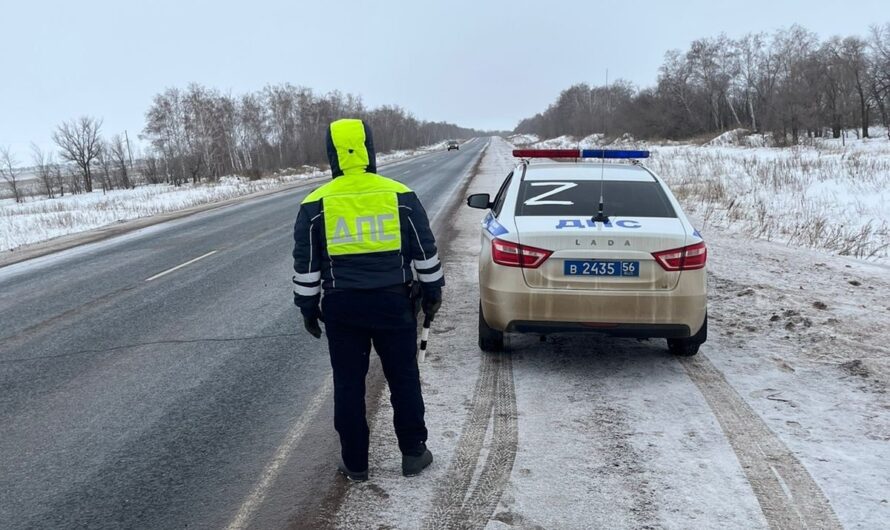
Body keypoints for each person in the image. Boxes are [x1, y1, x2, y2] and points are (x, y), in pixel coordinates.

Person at [292, 118, 444, 482]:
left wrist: (308, 308)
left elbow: (307, 266)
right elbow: (425, 252)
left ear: (332, 154)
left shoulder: (314, 205)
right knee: (404, 379)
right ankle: (413, 453)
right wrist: (433, 294)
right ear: (370, 150)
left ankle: (356, 463)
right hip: (394, 304)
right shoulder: (399, 195)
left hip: (343, 308)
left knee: (348, 384)